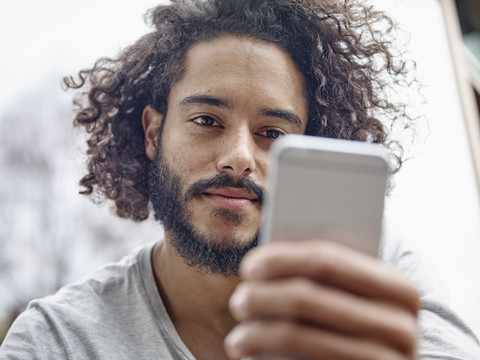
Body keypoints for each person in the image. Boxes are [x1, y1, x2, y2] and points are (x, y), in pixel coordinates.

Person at [2, 0, 480, 359]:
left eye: (272, 132)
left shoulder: (375, 266)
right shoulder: (58, 340)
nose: (238, 158)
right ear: (153, 132)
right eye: (207, 120)